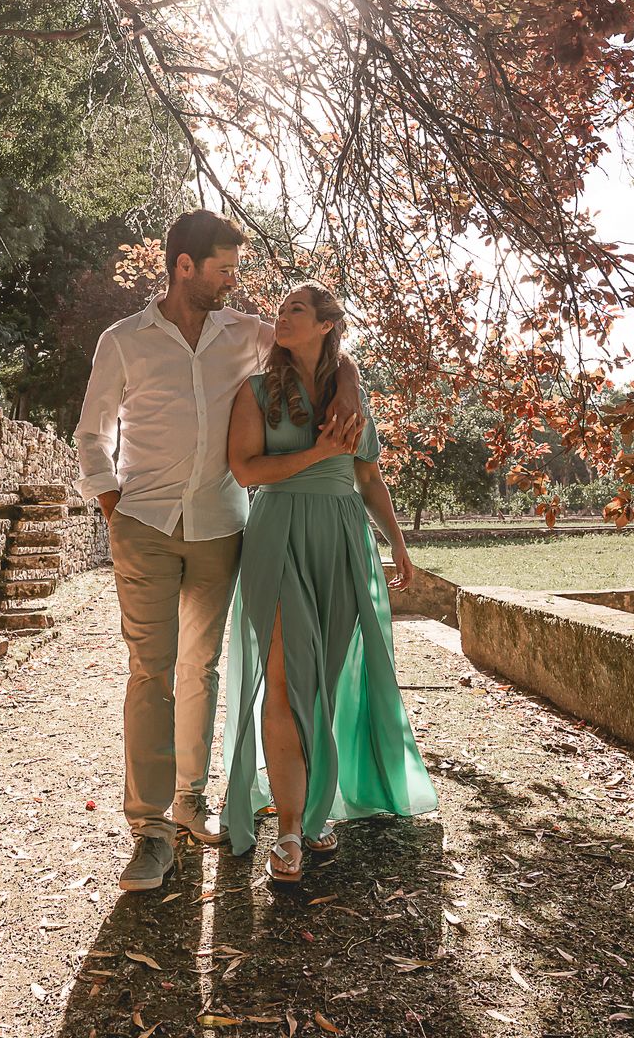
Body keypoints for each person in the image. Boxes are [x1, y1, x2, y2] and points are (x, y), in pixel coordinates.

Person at [75, 212, 362, 892]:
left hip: (221, 529)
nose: (235, 281)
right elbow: (92, 433)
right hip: (143, 522)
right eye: (225, 270)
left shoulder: (246, 333)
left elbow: (319, 346)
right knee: (153, 671)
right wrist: (112, 507)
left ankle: (189, 803)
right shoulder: (123, 342)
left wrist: (347, 380)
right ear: (184, 267)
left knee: (200, 668)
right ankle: (148, 832)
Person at [222, 280, 437, 884]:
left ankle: (315, 814)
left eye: (295, 309)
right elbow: (244, 468)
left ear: (325, 324)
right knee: (288, 675)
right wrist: (317, 456)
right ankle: (289, 829)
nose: (281, 316)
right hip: (279, 531)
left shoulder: (351, 394)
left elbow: (367, 478)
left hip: (344, 537)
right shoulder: (256, 391)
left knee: (325, 678)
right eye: (280, 308)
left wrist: (396, 539)